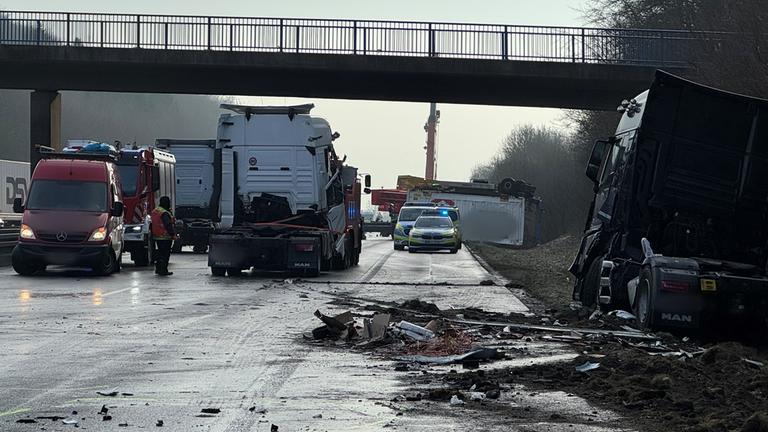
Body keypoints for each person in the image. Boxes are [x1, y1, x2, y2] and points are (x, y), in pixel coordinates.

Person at [150, 196, 176, 276]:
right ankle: (163, 270)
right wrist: (173, 234)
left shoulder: (156, 211)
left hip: (157, 236)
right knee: (165, 255)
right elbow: (168, 225)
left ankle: (158, 269)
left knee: (160, 254)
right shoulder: (165, 213)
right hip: (165, 237)